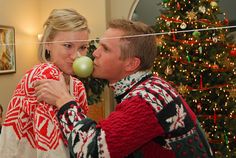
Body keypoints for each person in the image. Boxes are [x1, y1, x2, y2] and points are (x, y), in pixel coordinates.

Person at [34, 19, 214, 158]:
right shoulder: (150, 86)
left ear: (131, 64)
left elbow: (92, 151)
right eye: (97, 46)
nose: (94, 53)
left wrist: (63, 100)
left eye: (105, 49)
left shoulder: (145, 99)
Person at [0, 9, 89, 158]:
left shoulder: (78, 86)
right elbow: (50, 149)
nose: (76, 56)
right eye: (68, 45)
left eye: (83, 47)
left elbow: (82, 135)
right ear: (48, 44)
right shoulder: (46, 75)